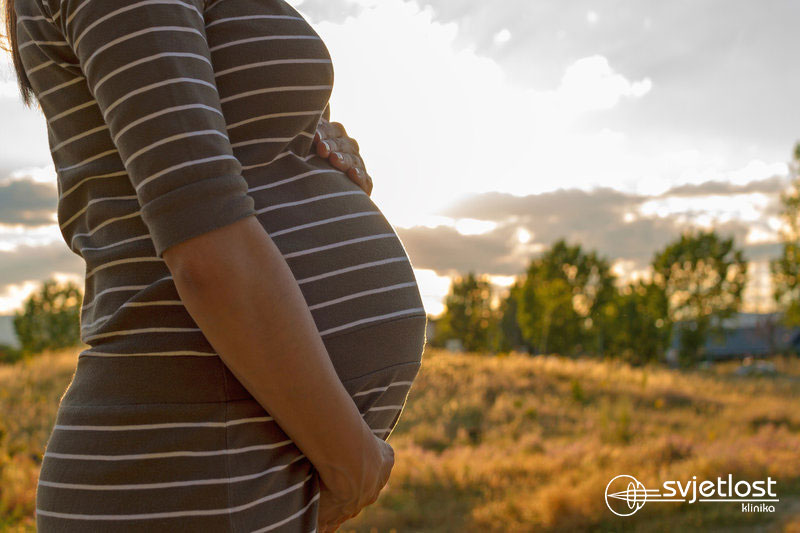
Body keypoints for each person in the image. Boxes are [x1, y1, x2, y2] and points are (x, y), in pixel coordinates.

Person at [2, 0, 428, 531]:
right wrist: (351, 460)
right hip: (188, 469)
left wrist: (303, 145)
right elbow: (206, 250)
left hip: (218, 469)